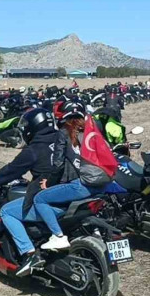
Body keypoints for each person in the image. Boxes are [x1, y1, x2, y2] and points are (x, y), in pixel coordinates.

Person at [0, 108, 57, 276]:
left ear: (34, 126)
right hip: (71, 194)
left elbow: (10, 171)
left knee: (7, 211)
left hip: (47, 198)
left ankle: (29, 253)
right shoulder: (64, 139)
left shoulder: (34, 149)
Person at [32, 102, 102, 252]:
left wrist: (48, 183)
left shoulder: (64, 133)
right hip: (100, 183)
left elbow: (58, 164)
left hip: (80, 184)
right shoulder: (94, 131)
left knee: (40, 198)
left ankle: (58, 236)